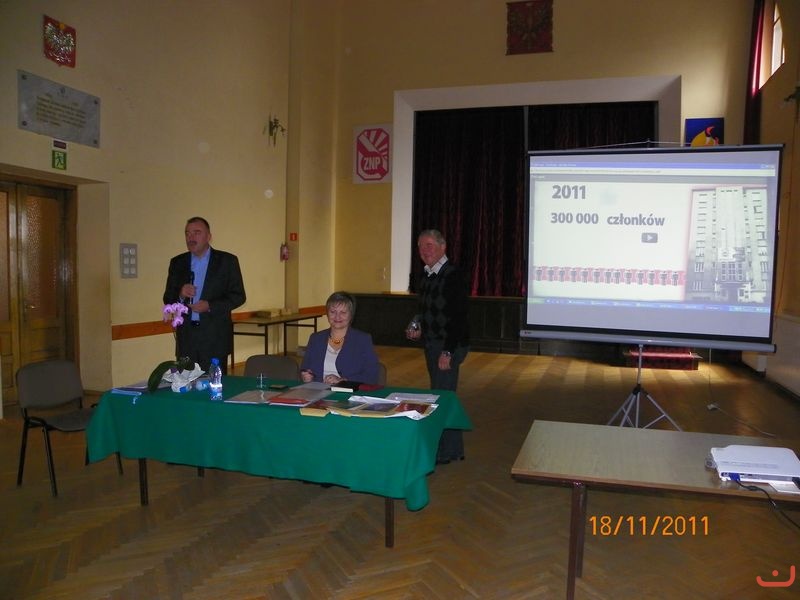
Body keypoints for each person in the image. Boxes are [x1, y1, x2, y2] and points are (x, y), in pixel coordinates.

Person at [406, 229, 470, 463]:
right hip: (432, 343)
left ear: (443, 247)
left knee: (441, 396)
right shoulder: (426, 274)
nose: (424, 250)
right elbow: (424, 310)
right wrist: (417, 324)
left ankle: (443, 451)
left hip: (448, 345)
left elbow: (458, 317)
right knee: (443, 394)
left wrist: (448, 351)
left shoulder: (453, 274)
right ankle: (453, 449)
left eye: (429, 245)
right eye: (421, 246)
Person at [163, 216, 246, 375]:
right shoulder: (177, 263)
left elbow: (238, 296)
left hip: (215, 338)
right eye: (187, 233)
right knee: (185, 384)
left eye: (197, 232)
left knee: (214, 385)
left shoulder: (227, 261)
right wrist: (180, 294)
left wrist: (210, 306)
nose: (191, 237)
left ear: (209, 236)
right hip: (187, 339)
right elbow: (168, 298)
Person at [300, 291, 380, 385]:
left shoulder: (362, 340)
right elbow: (305, 368)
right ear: (327, 314)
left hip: (348, 391)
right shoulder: (315, 338)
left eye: (343, 312)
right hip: (317, 390)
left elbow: (372, 376)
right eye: (333, 312)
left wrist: (343, 380)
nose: (337, 317)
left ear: (351, 315)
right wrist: (306, 376)